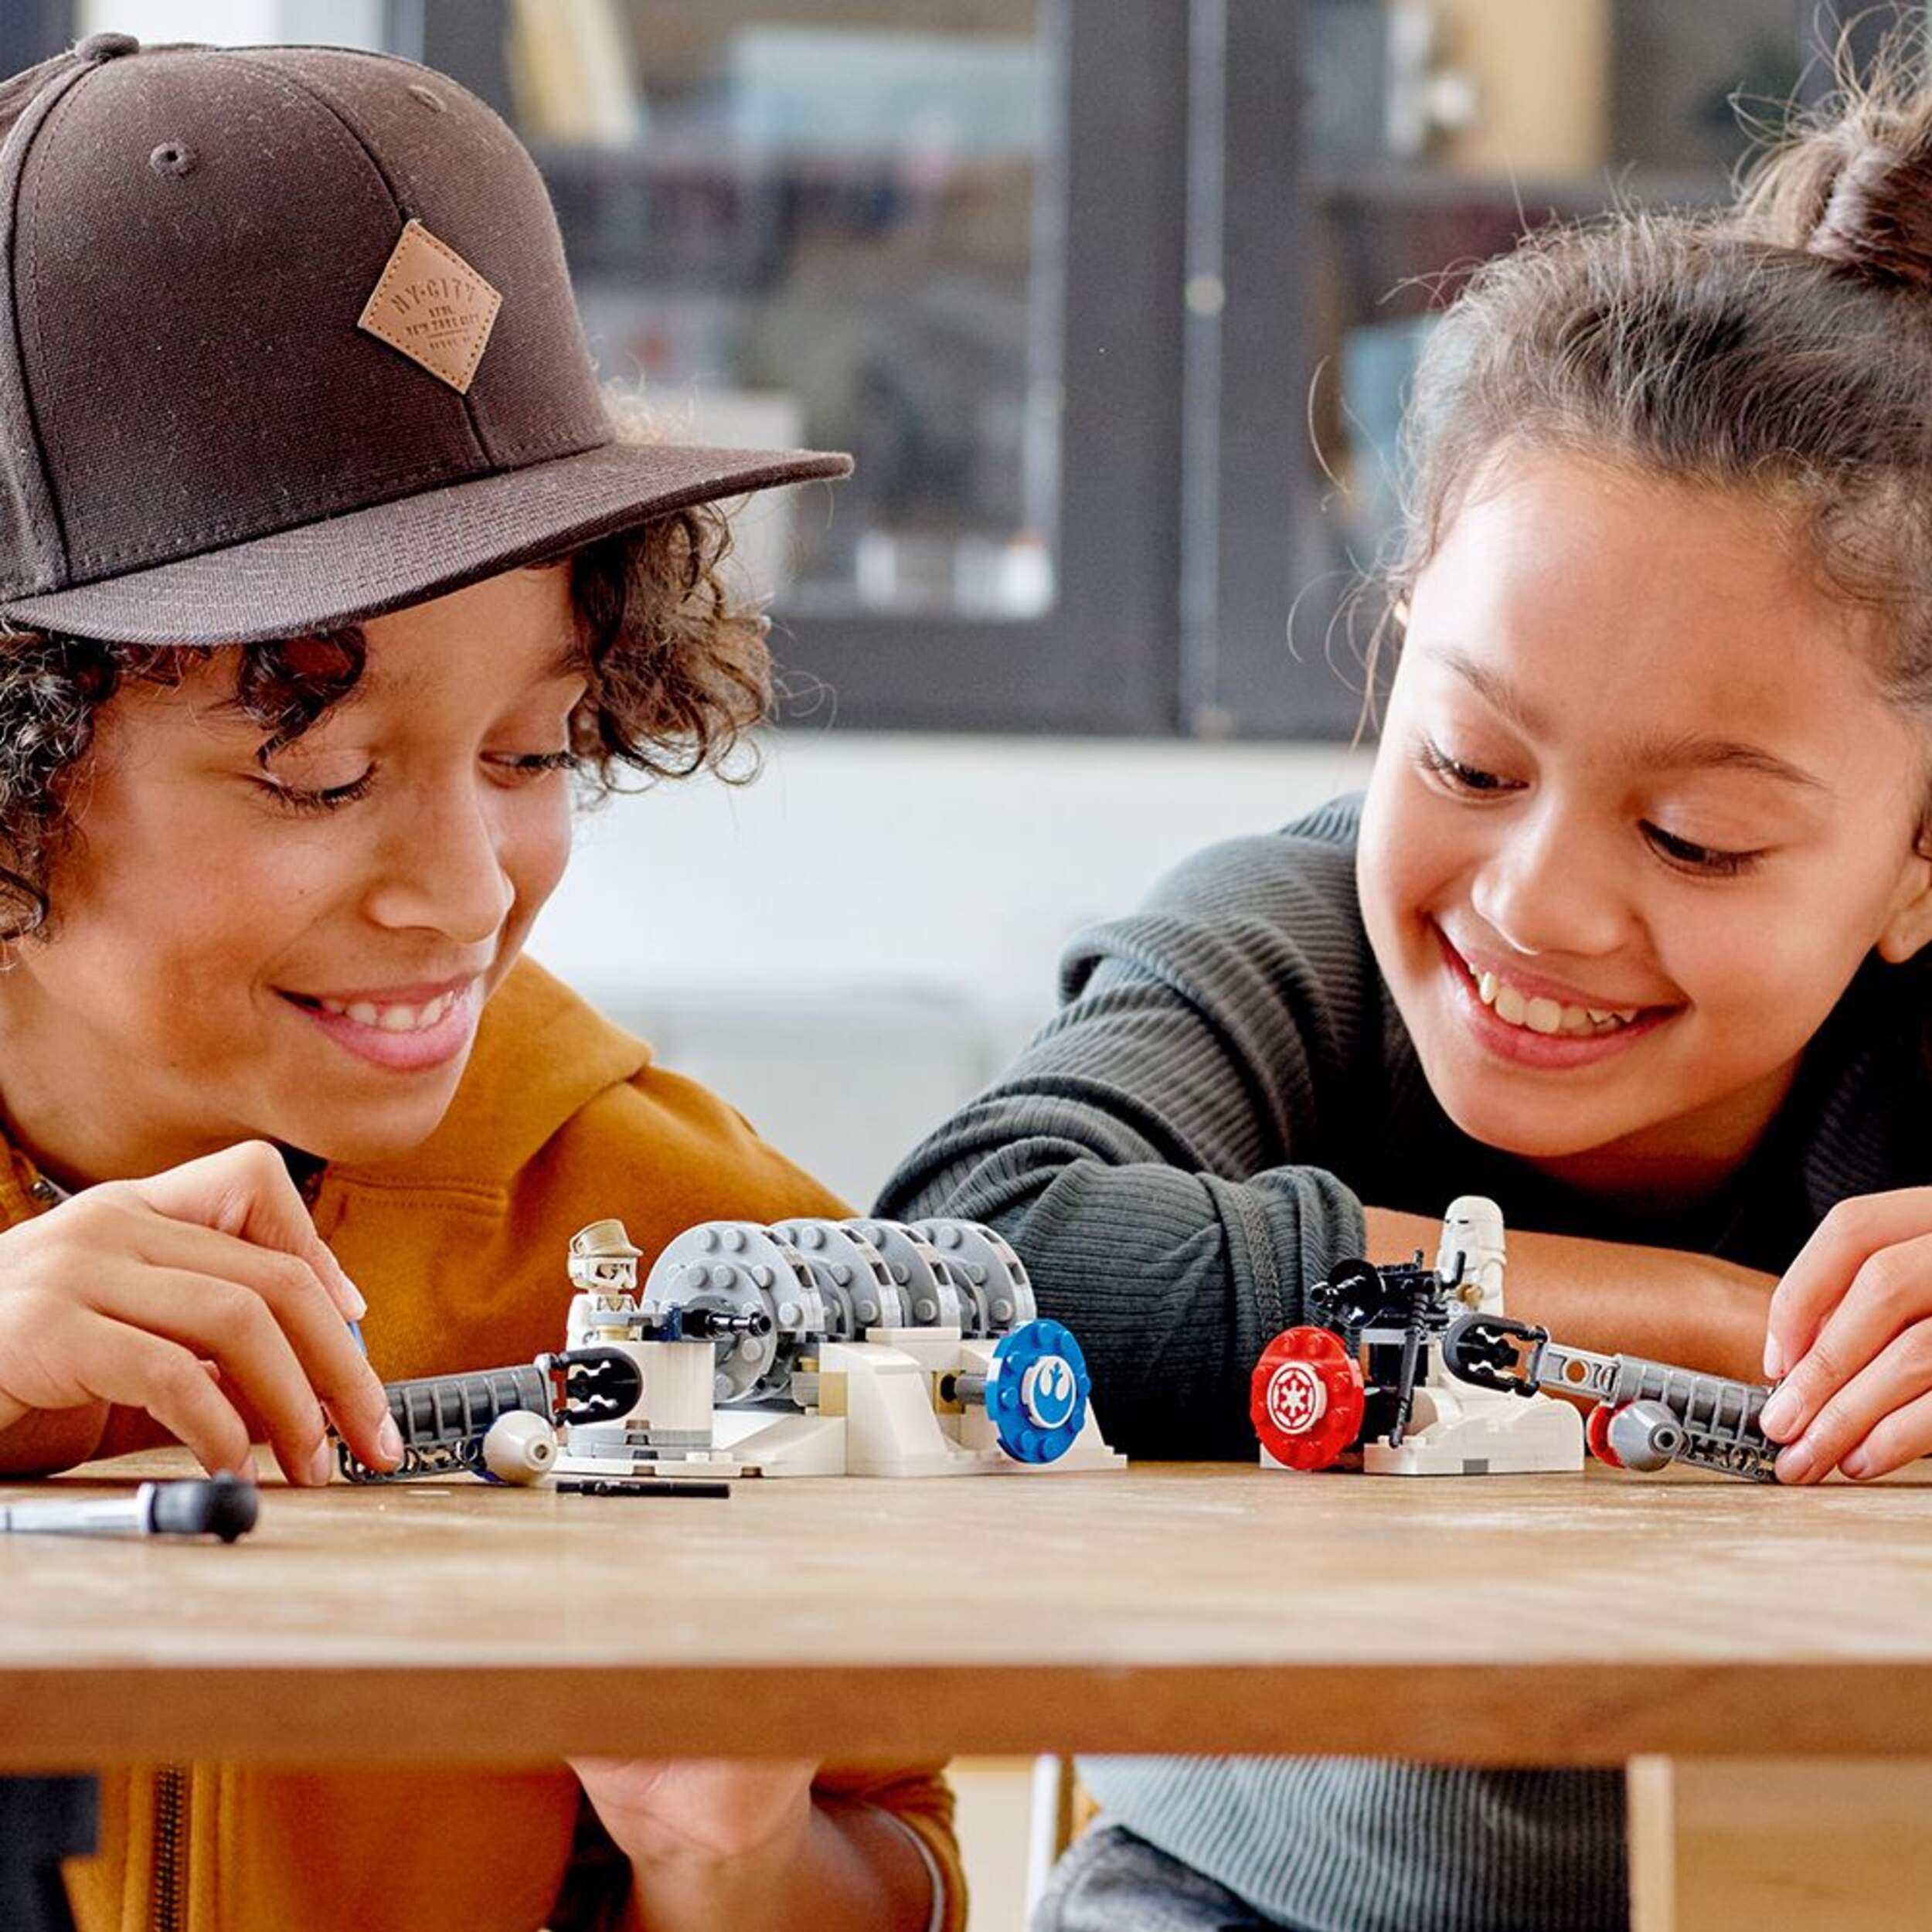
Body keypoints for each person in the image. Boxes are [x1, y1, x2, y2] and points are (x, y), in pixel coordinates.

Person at [878, 53, 1932, 1932]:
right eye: (1465, 760)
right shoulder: (1285, 940)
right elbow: (979, 1240)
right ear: (1393, 656)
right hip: (1234, 1891)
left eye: (1691, 838)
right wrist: (1725, 1323)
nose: (1535, 903)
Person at [0, 33, 957, 1932]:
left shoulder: (690, 1244)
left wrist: (725, 1850)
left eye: (533, 751)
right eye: (320, 771)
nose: (463, 890)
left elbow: (907, 1870)